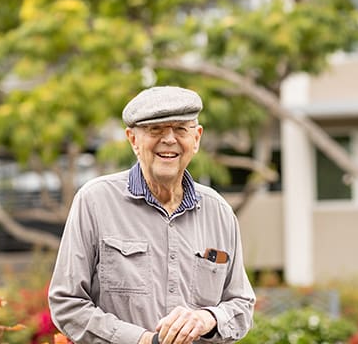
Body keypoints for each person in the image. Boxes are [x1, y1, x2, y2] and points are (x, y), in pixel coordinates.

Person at [48, 86, 255, 344]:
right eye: (155, 129)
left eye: (181, 128)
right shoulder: (95, 201)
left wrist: (208, 318)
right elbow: (67, 303)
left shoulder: (219, 212)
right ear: (133, 139)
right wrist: (143, 341)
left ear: (197, 138)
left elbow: (242, 305)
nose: (169, 139)